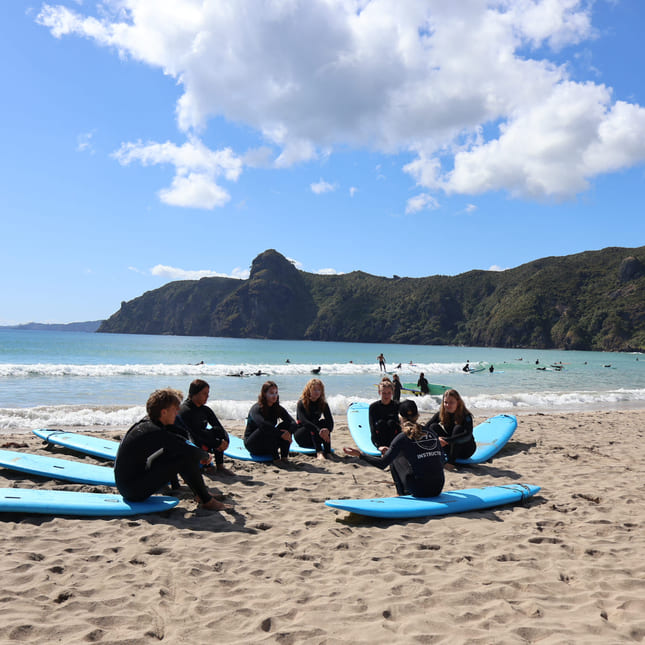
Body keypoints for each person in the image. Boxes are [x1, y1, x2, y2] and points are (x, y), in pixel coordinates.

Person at [114, 388, 230, 511]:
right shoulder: (154, 432)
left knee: (180, 452)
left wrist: (200, 454)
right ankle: (206, 500)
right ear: (164, 412)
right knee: (185, 455)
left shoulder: (150, 423)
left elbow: (179, 439)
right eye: (175, 409)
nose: (178, 411)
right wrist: (205, 456)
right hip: (133, 491)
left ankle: (200, 495)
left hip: (131, 482)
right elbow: (185, 449)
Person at [344, 399, 445, 497]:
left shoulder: (402, 437)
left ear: (400, 417)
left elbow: (383, 464)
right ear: (417, 415)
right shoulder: (431, 432)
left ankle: (400, 493)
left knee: (393, 456)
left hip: (419, 490)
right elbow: (442, 459)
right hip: (438, 487)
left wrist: (360, 455)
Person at [176, 379, 233, 476]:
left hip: (203, 439)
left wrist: (226, 440)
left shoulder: (205, 409)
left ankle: (220, 466)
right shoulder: (185, 410)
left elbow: (219, 426)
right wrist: (217, 443)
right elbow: (194, 434)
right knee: (207, 437)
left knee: (217, 432)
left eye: (208, 393)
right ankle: (206, 466)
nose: (207, 396)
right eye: (204, 393)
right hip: (190, 442)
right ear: (194, 394)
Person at [244, 381, 297, 462]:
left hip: (268, 444)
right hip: (254, 445)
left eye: (276, 393)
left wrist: (288, 433)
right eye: (271, 393)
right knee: (266, 428)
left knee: (287, 424)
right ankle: (276, 458)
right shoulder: (256, 408)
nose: (274, 396)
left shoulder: (277, 408)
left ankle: (284, 457)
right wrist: (281, 434)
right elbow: (263, 426)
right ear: (264, 394)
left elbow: (293, 422)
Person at [426, 389, 476, 468]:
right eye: (446, 402)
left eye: (451, 402)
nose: (448, 405)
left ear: (458, 402)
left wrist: (447, 440)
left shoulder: (466, 415)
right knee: (433, 427)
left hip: (466, 449)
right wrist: (436, 439)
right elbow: (426, 427)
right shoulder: (442, 413)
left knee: (458, 428)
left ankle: (451, 463)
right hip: (450, 448)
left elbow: (467, 435)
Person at [295, 378, 334, 459]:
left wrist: (328, 430)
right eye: (314, 390)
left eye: (319, 390)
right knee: (315, 424)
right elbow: (304, 422)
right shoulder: (301, 403)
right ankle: (319, 452)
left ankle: (327, 452)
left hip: (317, 435)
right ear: (309, 390)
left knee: (324, 423)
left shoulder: (323, 404)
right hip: (302, 436)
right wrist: (319, 430)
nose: (317, 392)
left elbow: (330, 421)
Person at [368, 376, 400, 449]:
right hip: (380, 441)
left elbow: (400, 428)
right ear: (379, 392)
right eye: (384, 393)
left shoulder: (397, 406)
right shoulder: (373, 407)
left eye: (389, 393)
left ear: (392, 392)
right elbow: (372, 429)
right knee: (381, 423)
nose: (386, 395)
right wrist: (378, 446)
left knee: (391, 423)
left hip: (394, 442)